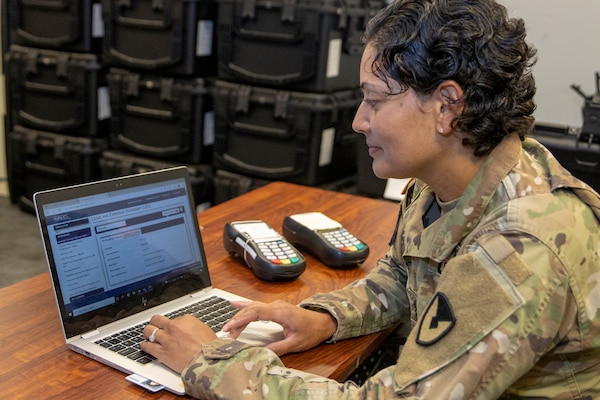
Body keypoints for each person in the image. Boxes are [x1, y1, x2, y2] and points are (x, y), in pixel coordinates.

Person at [141, 0, 600, 398]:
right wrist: (324, 318)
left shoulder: (521, 244)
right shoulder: (451, 175)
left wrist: (211, 360)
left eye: (375, 100)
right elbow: (405, 275)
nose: (359, 121)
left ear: (446, 106)